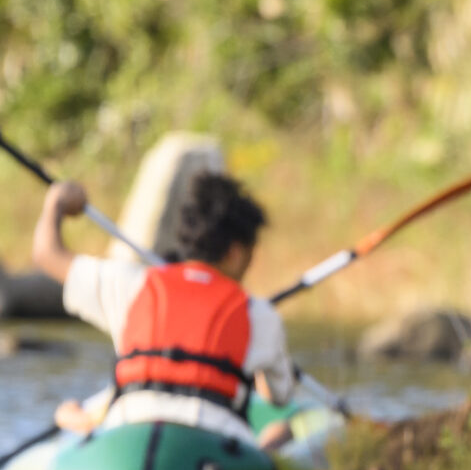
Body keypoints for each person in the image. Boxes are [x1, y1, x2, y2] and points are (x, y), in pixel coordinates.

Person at [30, 172, 299, 450]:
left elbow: (46, 254)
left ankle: (80, 421)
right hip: (213, 455)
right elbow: (279, 398)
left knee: (78, 413)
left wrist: (57, 202)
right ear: (236, 252)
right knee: (284, 432)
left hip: (126, 439)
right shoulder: (260, 315)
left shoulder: (132, 283)